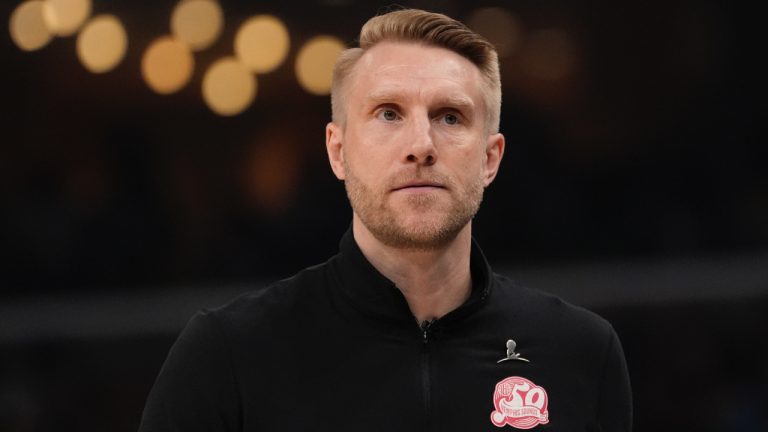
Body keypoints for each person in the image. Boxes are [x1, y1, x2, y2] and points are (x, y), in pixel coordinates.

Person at [138, 8, 632, 431]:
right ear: (337, 151)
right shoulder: (227, 357)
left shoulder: (582, 354)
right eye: (389, 114)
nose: (421, 146)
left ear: (490, 158)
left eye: (450, 117)